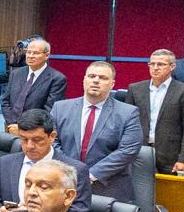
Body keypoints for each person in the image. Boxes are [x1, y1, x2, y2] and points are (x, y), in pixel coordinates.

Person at [50, 60, 143, 203]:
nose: (96, 81)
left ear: (112, 84)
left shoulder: (128, 113)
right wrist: (70, 171)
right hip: (64, 183)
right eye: (91, 76)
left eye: (103, 78)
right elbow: (52, 142)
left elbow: (127, 151)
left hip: (109, 189)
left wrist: (90, 175)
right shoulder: (60, 108)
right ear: (84, 80)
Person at [0, 109, 91, 212]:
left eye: (37, 140)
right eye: (24, 139)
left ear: (52, 136)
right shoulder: (5, 163)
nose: (29, 146)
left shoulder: (76, 170)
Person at [123, 49, 184, 174]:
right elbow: (125, 123)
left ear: (172, 67)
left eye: (161, 64)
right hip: (138, 151)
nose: (155, 68)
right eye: (152, 64)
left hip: (170, 154)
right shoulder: (135, 88)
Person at [0, 38, 67, 133]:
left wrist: (22, 128)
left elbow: (49, 110)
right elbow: (5, 101)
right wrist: (12, 124)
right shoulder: (16, 74)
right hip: (10, 128)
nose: (30, 56)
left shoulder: (57, 79)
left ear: (46, 55)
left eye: (35, 53)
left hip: (34, 131)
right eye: (28, 52)